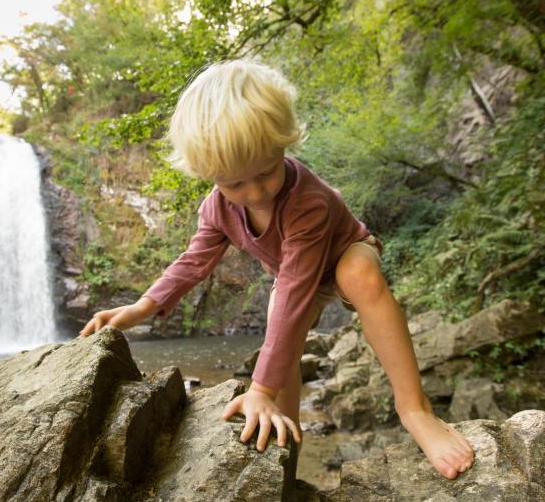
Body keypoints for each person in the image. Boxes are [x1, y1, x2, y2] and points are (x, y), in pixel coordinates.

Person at [79, 59, 475, 480]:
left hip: (342, 253)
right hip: (293, 273)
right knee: (277, 325)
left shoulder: (308, 201)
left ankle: (415, 410)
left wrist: (259, 386)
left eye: (266, 172)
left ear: (284, 144)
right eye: (233, 184)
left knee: (356, 276)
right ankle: (287, 443)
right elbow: (194, 260)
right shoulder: (216, 208)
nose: (253, 192)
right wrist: (143, 307)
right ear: (209, 175)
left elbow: (295, 285)